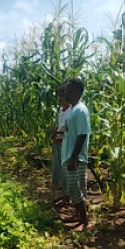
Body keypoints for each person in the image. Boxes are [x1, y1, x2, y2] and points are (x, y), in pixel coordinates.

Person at [61, 77, 91, 230]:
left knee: (74, 188)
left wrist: (73, 158)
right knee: (76, 188)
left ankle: (84, 221)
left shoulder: (80, 110)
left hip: (76, 157)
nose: (64, 92)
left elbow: (82, 134)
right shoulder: (72, 110)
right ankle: (81, 216)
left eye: (67, 89)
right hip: (70, 155)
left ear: (75, 91)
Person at [50, 84, 71, 192]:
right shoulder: (61, 110)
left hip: (66, 143)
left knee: (65, 170)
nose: (60, 100)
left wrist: (57, 132)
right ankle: (61, 191)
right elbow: (61, 125)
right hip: (58, 141)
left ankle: (66, 195)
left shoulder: (72, 111)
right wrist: (55, 134)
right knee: (57, 167)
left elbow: (69, 129)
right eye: (59, 98)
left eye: (62, 98)